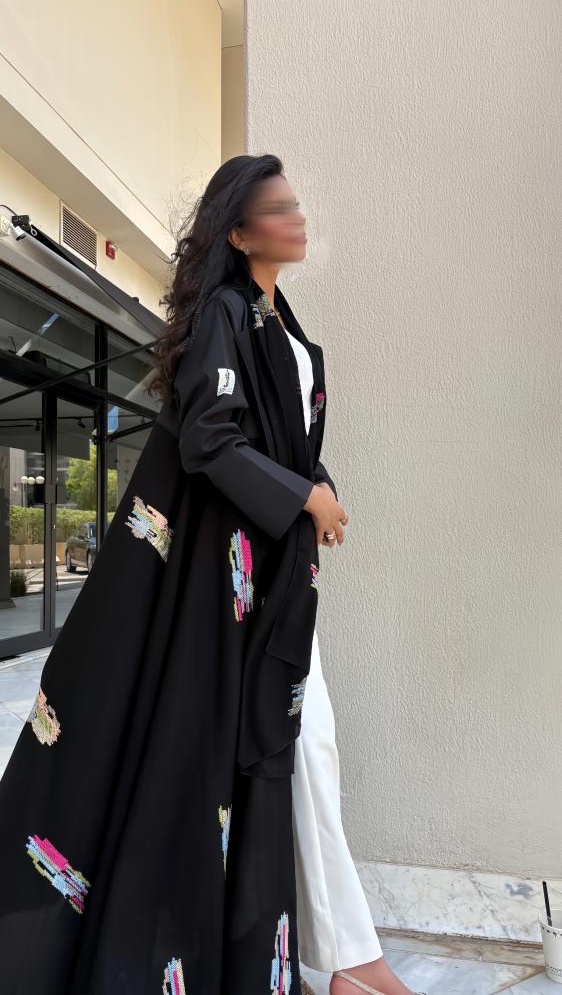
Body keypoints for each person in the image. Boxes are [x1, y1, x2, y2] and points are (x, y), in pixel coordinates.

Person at [0, 152, 425, 995]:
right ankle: (347, 961)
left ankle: (347, 958)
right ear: (238, 233)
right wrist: (303, 497)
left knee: (303, 743)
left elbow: (283, 441)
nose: (298, 218)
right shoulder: (227, 315)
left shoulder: (279, 323)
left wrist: (318, 487)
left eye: (296, 204)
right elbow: (209, 441)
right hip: (222, 587)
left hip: (271, 577)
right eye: (279, 208)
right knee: (287, 743)